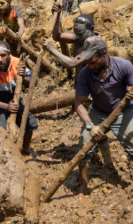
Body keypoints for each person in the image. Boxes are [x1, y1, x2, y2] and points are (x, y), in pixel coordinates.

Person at [74, 36, 133, 199]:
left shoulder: (123, 65)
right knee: (84, 147)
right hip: (98, 112)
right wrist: (89, 125)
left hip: (124, 111)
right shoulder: (86, 73)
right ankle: (83, 185)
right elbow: (78, 102)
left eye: (93, 62)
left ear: (104, 54)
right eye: (87, 62)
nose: (90, 66)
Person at [0, 41, 38, 155]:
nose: (0, 59)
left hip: (15, 99)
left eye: (3, 55)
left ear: (8, 55)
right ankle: (5, 154)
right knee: (0, 130)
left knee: (30, 123)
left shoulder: (17, 62)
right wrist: (6, 107)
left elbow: (32, 82)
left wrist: (23, 77)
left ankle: (26, 149)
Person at [42, 3, 98, 86]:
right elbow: (57, 36)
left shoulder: (95, 45)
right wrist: (57, 17)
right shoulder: (82, 36)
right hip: (81, 86)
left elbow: (72, 63)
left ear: (91, 29)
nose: (77, 36)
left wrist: (50, 48)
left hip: (93, 89)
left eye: (80, 33)